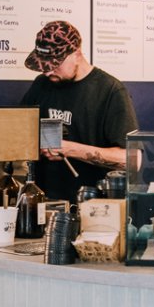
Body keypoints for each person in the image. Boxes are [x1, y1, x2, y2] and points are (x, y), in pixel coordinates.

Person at [19, 20, 138, 202]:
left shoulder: (110, 91)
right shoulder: (41, 85)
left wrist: (69, 149)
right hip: (46, 202)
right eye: (43, 65)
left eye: (54, 64)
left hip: (95, 204)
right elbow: (19, 132)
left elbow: (131, 160)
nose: (47, 72)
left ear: (76, 53)